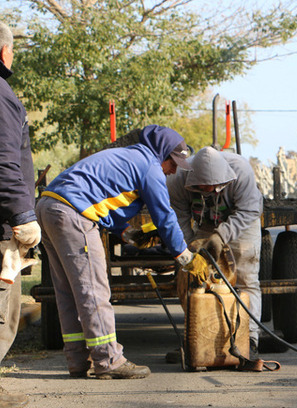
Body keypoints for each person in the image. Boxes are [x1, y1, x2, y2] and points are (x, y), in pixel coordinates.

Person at [36, 126, 209, 379]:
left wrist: (126, 232)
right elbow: (165, 216)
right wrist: (184, 256)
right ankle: (109, 360)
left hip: (48, 206)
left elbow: (104, 197)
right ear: (162, 154)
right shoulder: (149, 166)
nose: (174, 170)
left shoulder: (128, 157)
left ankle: (77, 359)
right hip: (73, 214)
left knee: (69, 291)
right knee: (94, 289)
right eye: (173, 163)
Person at [167, 146, 263, 359]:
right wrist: (190, 246)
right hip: (205, 222)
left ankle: (250, 337)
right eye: (203, 187)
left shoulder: (241, 171)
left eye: (213, 187)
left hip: (242, 221)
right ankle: (199, 337)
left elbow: (250, 209)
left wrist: (221, 236)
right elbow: (179, 217)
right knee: (195, 279)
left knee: (246, 279)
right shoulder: (177, 179)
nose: (208, 189)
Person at [0, 22, 40, 408]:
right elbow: (4, 163)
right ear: (3, 52)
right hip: (2, 224)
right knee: (2, 310)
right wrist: (23, 215)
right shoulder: (2, 95)